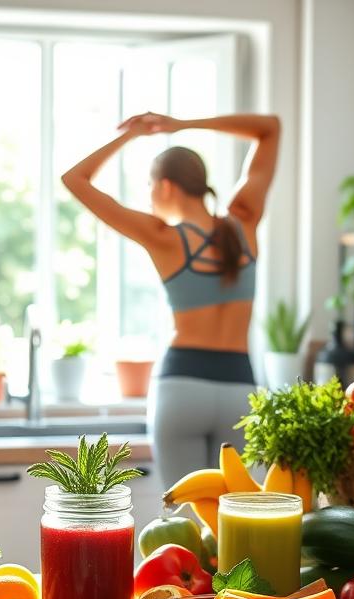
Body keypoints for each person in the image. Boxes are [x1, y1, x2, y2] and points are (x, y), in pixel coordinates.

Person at [61, 112, 280, 489]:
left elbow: (74, 180)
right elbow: (269, 128)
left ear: (165, 186)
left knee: (184, 522)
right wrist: (183, 125)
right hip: (239, 390)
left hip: (181, 389)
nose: (149, 195)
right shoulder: (243, 222)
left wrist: (130, 135)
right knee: (235, 521)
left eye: (148, 185)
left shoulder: (163, 236)